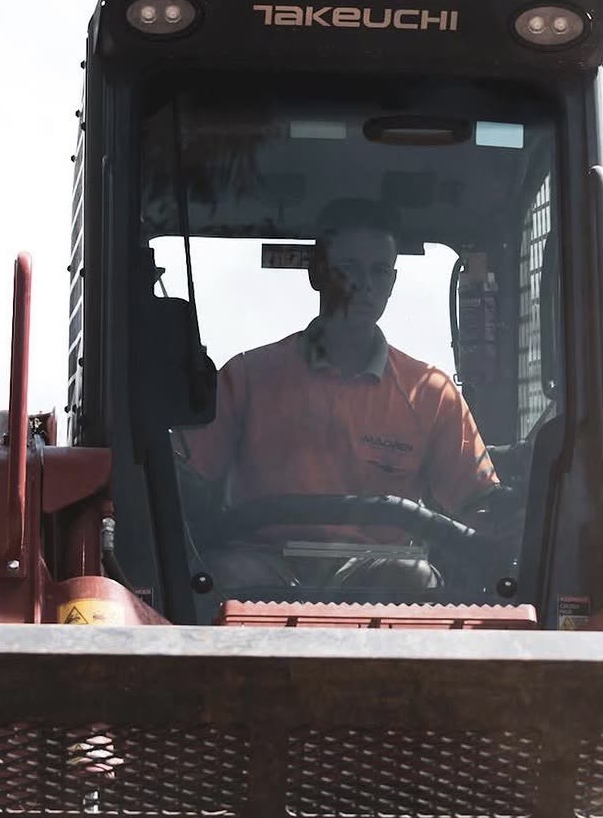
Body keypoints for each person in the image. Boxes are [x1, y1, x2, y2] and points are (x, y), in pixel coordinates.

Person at [178, 198, 499, 592]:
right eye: (348, 269)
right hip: (264, 563)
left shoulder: (431, 394)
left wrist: (505, 524)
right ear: (317, 272)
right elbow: (186, 485)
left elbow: (480, 506)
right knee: (221, 577)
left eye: (379, 272)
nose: (364, 285)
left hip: (378, 571)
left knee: (408, 578)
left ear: (392, 283)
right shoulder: (246, 378)